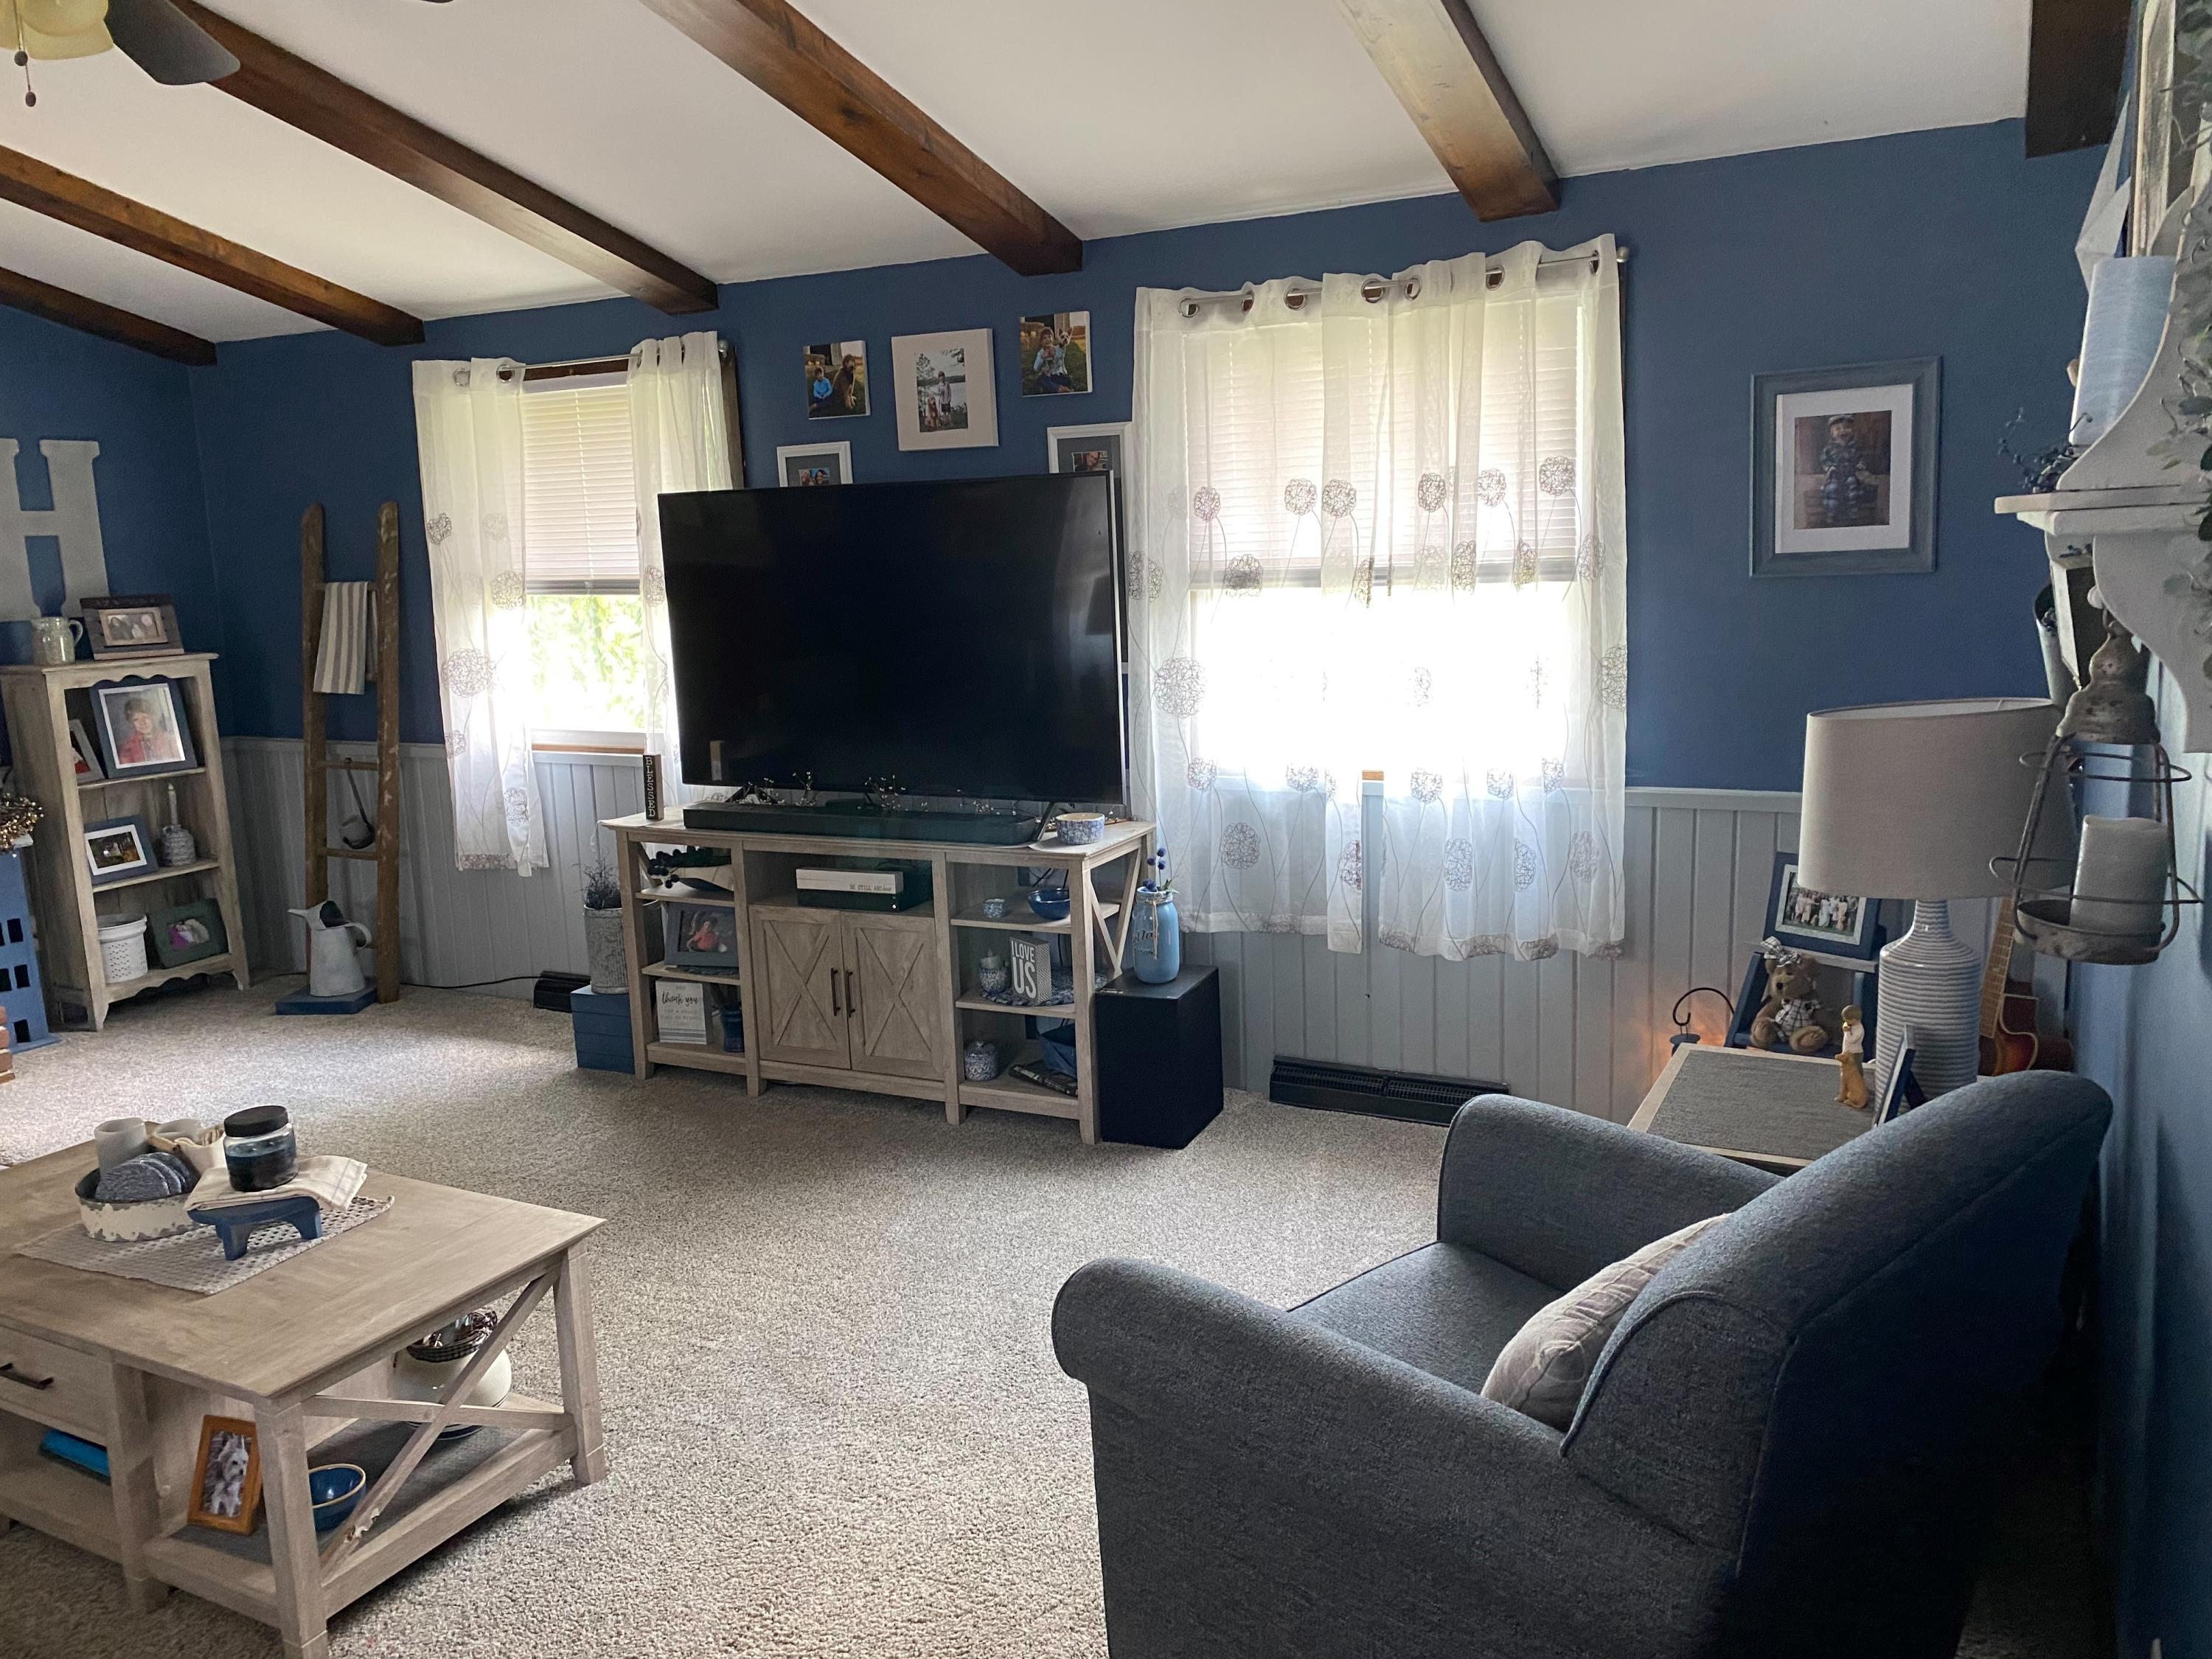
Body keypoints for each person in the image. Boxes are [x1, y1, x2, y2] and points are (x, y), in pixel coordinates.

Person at [113, 693, 176, 768]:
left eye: (145, 717)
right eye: (136, 720)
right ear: (131, 723)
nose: (142, 723)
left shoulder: (170, 739)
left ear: (153, 716)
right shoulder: (127, 749)